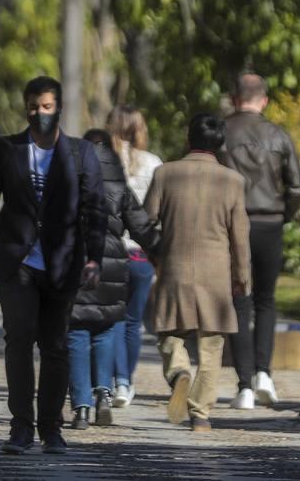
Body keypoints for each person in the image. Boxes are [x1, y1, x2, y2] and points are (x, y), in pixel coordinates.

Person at [0, 75, 106, 456]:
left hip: (63, 262)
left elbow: (95, 209)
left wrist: (94, 257)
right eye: (33, 106)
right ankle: (20, 426)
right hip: (18, 261)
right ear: (25, 107)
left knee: (56, 346)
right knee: (18, 341)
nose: (39, 113)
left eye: (46, 106)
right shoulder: (6, 149)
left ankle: (51, 428)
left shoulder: (80, 153)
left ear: (59, 107)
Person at [144, 113, 251, 432]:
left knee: (169, 336)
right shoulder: (232, 181)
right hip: (216, 273)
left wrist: (156, 256)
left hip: (174, 267)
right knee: (211, 345)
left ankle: (179, 372)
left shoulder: (165, 173)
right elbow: (240, 236)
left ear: (189, 140)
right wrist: (242, 277)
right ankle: (200, 414)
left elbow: (146, 221)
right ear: (221, 143)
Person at [66, 129, 160, 431]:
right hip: (114, 262)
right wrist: (161, 250)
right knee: (105, 329)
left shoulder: (70, 179)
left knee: (77, 331)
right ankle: (104, 393)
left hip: (75, 259)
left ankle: (80, 406)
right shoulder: (119, 183)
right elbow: (141, 226)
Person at [220, 72, 300, 409]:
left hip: (234, 221)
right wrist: (286, 215)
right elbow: (295, 185)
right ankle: (264, 372)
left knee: (239, 300)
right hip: (270, 222)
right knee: (266, 300)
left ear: (234, 98)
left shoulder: (222, 132)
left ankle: (243, 386)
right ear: (264, 100)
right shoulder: (278, 135)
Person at [107, 105, 162, 407]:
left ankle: (111, 381)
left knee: (110, 320)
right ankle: (125, 382)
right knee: (133, 321)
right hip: (140, 254)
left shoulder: (102, 160)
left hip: (110, 252)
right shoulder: (153, 164)